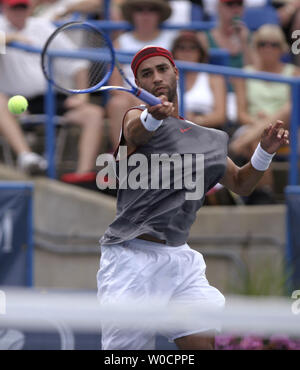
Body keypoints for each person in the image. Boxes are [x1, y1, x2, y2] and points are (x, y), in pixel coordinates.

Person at [96, 45, 289, 350]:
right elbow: (136, 133)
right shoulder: (136, 117)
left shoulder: (208, 138)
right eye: (147, 74)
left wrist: (263, 152)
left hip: (180, 260)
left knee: (201, 344)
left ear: (176, 73)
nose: (156, 77)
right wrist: (152, 117)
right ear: (139, 84)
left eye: (162, 69)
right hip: (130, 259)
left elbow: (240, 183)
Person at [0, 0, 104, 178]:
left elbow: (77, 63)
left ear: (30, 7)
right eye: (14, 6)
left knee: (93, 114)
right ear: (4, 8)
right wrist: (12, 39)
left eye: (22, 6)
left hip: (50, 98)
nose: (19, 11)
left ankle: (82, 177)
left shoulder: (41, 26)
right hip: (15, 102)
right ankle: (28, 157)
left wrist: (82, 96)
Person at [230, 24, 300, 203]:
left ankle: (238, 145)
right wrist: (258, 121)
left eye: (273, 44)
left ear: (282, 48)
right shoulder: (245, 73)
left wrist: (269, 121)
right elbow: (241, 114)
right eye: (262, 44)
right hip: (252, 126)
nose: (268, 48)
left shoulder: (294, 73)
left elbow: (294, 112)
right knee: (259, 140)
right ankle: (266, 196)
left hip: (288, 127)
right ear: (256, 46)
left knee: (289, 108)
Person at [106, 0, 178, 150]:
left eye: (151, 9)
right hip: (130, 100)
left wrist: (158, 98)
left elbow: (177, 78)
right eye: (139, 9)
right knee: (117, 103)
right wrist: (142, 99)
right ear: (133, 14)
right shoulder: (120, 42)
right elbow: (115, 85)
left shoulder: (173, 39)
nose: (145, 14)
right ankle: (121, 159)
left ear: (159, 14)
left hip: (169, 95)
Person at [171, 31, 226, 129]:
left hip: (205, 131)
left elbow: (220, 116)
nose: (187, 52)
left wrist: (195, 121)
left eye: (192, 48)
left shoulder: (214, 78)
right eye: (182, 48)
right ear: (174, 52)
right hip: (173, 128)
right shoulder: (166, 78)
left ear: (200, 52)